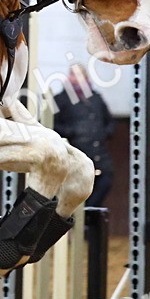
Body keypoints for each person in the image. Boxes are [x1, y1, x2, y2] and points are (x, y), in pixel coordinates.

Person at [51, 64, 114, 207]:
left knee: (104, 184)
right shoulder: (60, 99)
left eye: (79, 75)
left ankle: (87, 217)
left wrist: (104, 134)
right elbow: (51, 125)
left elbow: (109, 122)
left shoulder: (96, 98)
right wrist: (72, 132)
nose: (75, 79)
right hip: (75, 156)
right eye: (72, 74)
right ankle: (81, 218)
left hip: (100, 157)